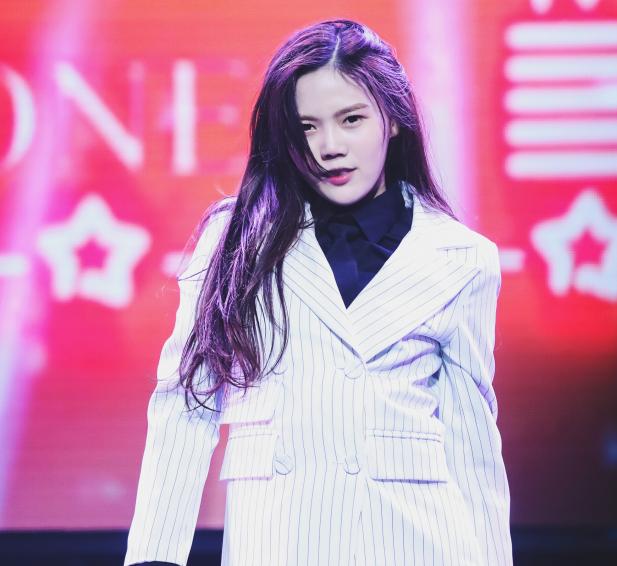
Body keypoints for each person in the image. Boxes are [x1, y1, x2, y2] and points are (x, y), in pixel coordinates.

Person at [124, 18, 512, 566]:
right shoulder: (234, 240)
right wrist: (154, 557)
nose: (330, 147)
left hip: (416, 542)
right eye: (307, 127)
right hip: (278, 540)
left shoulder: (462, 258)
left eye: (351, 119)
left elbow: (472, 447)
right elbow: (186, 404)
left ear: (392, 120)